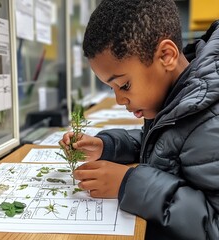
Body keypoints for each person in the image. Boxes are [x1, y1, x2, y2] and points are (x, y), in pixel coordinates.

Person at [59, 0, 219, 239]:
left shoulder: (211, 122)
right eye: (111, 88)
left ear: (166, 56)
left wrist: (129, 184)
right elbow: (163, 144)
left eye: (124, 85)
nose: (119, 100)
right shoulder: (180, 97)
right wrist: (107, 146)